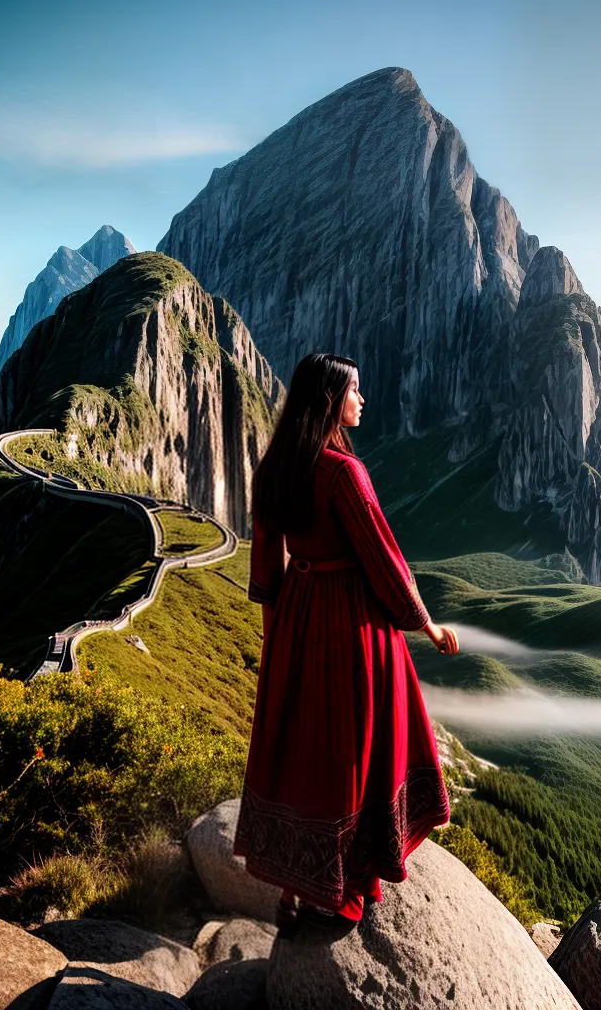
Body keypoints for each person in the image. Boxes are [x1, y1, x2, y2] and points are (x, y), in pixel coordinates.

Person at [232, 352, 460, 933]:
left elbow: (265, 564)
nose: (363, 400)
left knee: (307, 747)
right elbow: (382, 558)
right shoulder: (342, 472)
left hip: (297, 616)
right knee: (358, 748)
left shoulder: (279, 464)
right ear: (333, 399)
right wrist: (425, 623)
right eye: (355, 391)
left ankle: (292, 887)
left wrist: (276, 630)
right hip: (352, 625)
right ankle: (347, 891)